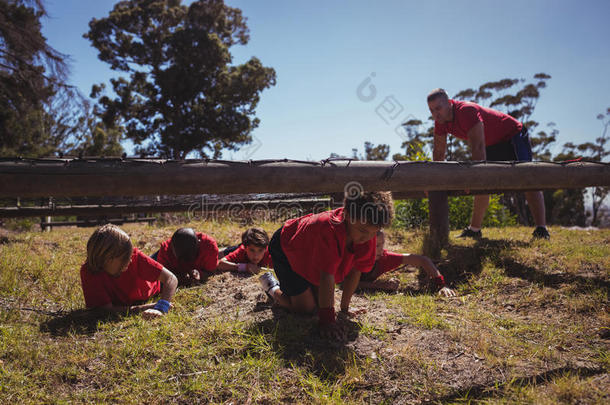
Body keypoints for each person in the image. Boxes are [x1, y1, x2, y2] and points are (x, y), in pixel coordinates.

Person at [259, 190, 393, 341]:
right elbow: (326, 275)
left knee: (319, 304)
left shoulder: (366, 235)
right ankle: (270, 286)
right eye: (362, 231)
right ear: (347, 215)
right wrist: (328, 321)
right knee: (306, 309)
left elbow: (357, 270)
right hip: (288, 246)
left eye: (372, 233)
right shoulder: (329, 230)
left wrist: (344, 309)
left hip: (310, 253)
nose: (367, 238)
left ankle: (299, 290)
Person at [427, 88, 550, 239]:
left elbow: (478, 148)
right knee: (484, 186)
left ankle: (541, 229)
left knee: (528, 178)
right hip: (491, 142)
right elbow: (439, 153)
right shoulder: (440, 122)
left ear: (449, 103)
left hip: (512, 135)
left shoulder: (466, 111)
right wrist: (433, 181)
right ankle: (474, 230)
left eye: (438, 108)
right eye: (432, 110)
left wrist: (474, 179)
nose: (435, 114)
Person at [80, 224, 178, 318]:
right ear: (107, 258)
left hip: (156, 286)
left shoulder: (134, 257)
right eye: (125, 258)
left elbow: (171, 278)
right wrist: (148, 307)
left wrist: (161, 306)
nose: (130, 260)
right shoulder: (89, 272)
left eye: (129, 256)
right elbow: (104, 311)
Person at [357, 230, 456, 297]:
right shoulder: (355, 256)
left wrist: (442, 285)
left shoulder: (384, 258)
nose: (381, 250)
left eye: (382, 244)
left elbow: (423, 260)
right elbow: (344, 284)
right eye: (377, 245)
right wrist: (380, 286)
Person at [153, 228, 219, 285]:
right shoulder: (165, 250)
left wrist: (200, 274)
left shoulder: (209, 247)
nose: (186, 264)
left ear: (198, 244)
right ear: (172, 248)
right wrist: (179, 278)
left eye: (189, 258)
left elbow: (212, 271)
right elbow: (161, 277)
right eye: (181, 259)